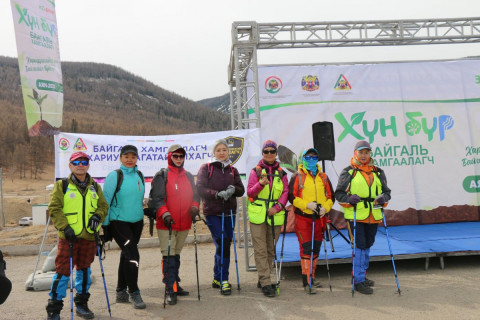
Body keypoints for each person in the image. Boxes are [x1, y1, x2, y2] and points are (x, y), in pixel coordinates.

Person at [46, 151, 108, 320]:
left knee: (85, 271)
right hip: (68, 237)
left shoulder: (95, 186)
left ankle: (81, 304)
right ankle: (54, 308)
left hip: (88, 236)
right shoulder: (62, 185)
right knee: (62, 272)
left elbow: (103, 206)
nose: (80, 165)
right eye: (76, 162)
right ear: (70, 165)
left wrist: (98, 216)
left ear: (88, 165)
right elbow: (54, 208)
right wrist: (65, 227)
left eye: (84, 161)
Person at [335, 140, 391, 295]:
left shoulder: (378, 172)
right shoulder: (348, 172)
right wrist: (349, 199)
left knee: (368, 244)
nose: (364, 155)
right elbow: (338, 194)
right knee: (359, 246)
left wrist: (383, 198)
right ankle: (358, 280)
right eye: (361, 152)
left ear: (370, 153)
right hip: (355, 216)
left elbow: (387, 192)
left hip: (373, 215)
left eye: (366, 152)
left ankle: (362, 275)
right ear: (355, 153)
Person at [148, 144, 200, 305]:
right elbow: (157, 199)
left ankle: (175, 283)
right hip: (167, 224)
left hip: (184, 222)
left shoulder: (189, 176)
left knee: (176, 255)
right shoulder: (162, 175)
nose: (178, 159)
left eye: (181, 156)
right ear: (169, 157)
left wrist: (194, 207)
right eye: (175, 156)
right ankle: (170, 288)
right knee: (168, 255)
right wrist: (165, 213)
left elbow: (196, 196)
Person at [196, 139, 245, 295]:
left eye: (224, 149)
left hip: (229, 212)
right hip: (213, 213)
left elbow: (241, 189)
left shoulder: (233, 169)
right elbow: (200, 188)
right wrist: (216, 194)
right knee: (223, 243)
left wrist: (233, 189)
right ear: (214, 152)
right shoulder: (206, 168)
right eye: (219, 150)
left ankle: (217, 277)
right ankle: (224, 280)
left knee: (223, 245)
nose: (222, 152)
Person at [102, 145, 146, 309]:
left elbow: (138, 199)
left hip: (137, 222)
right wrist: (105, 226)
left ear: (136, 159)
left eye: (133, 157)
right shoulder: (114, 176)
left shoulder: (139, 175)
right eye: (126, 156)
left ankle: (121, 291)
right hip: (118, 221)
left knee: (126, 255)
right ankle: (134, 292)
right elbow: (105, 201)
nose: (129, 159)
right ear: (120, 158)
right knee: (133, 256)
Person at [288, 148, 335, 294]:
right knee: (307, 248)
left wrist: (325, 208)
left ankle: (312, 277)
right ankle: (307, 280)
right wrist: (306, 205)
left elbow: (331, 197)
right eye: (307, 157)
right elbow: (291, 197)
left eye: (314, 157)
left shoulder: (324, 177)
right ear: (302, 159)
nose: (311, 159)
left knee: (316, 248)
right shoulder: (297, 176)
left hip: (320, 219)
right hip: (303, 218)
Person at [247, 140, 288, 297]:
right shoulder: (255, 172)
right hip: (258, 215)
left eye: (272, 151)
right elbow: (250, 192)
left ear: (276, 153)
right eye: (266, 151)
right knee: (260, 249)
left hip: (275, 215)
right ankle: (265, 281)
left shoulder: (282, 173)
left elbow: (285, 193)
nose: (269, 154)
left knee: (270, 248)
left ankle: (262, 276)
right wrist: (260, 185)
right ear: (262, 153)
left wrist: (277, 208)